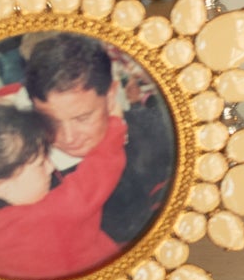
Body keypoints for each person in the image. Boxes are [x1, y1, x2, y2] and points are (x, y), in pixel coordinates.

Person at [0, 98, 122, 279]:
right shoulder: (48, 217)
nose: (51, 166)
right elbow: (95, 176)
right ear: (1, 187)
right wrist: (115, 125)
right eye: (40, 163)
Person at [25, 33, 174, 254]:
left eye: (82, 118)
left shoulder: (162, 132)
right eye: (50, 121)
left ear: (111, 95)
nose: (68, 137)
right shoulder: (25, 180)